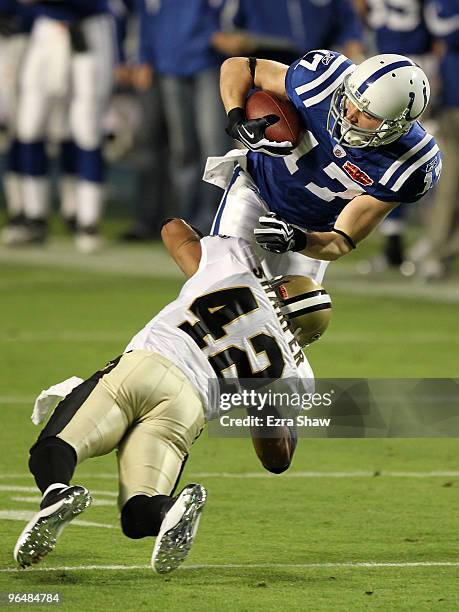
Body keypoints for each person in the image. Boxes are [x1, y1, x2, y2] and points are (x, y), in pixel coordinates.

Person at [13, 218, 331, 574]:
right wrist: (262, 397)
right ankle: (169, 511)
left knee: (58, 444)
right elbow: (277, 459)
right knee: (138, 513)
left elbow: (171, 230)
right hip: (188, 409)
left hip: (147, 368)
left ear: (279, 284)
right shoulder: (296, 372)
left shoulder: (237, 267)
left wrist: (207, 263)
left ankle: (57, 492)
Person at [205, 50, 441, 283]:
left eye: (368, 113)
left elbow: (340, 240)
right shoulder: (322, 80)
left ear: (397, 126)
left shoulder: (410, 164)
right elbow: (239, 66)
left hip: (312, 229)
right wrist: (237, 120)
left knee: (295, 318)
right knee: (223, 286)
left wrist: (298, 240)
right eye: (352, 99)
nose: (351, 115)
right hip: (258, 188)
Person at [12, 0, 116, 252]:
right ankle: (34, 215)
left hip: (89, 30)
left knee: (87, 127)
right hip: (49, 29)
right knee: (30, 125)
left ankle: (87, 220)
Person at [420, 0, 459, 279]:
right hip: (454, 101)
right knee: (448, 182)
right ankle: (439, 250)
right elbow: (445, 29)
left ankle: (440, 250)